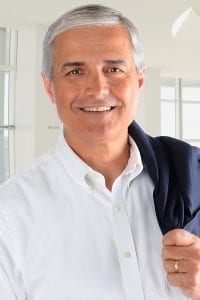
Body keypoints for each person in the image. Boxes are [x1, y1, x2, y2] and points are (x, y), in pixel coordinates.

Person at [0, 4, 200, 300]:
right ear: (49, 87)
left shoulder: (192, 178)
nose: (97, 88)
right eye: (75, 71)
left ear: (140, 80)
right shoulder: (10, 214)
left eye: (114, 69)